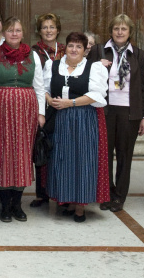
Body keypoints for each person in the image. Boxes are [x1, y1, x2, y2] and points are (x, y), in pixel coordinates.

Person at [0, 17, 45, 222]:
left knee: (22, 154)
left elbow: (39, 87)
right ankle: (5, 205)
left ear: (23, 33)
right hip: (0, 110)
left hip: (26, 111)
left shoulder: (33, 55)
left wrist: (41, 113)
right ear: (4, 33)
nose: (14, 34)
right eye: (10, 30)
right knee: (2, 153)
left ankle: (17, 204)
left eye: (18, 30)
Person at [44, 32, 110, 222]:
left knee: (83, 160)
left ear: (85, 50)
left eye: (78, 46)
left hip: (83, 118)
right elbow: (43, 89)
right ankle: (68, 201)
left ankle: (80, 207)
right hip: (59, 118)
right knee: (62, 160)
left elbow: (97, 95)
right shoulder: (53, 65)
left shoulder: (94, 67)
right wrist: (50, 99)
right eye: (71, 46)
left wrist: (70, 103)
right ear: (65, 47)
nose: (74, 49)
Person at [86, 15, 144, 212]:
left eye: (124, 29)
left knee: (124, 155)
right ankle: (106, 193)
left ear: (130, 32)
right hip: (104, 109)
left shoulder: (138, 54)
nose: (120, 32)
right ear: (111, 31)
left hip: (129, 111)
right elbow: (86, 74)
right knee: (104, 154)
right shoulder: (99, 50)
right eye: (116, 29)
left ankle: (119, 196)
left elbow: (143, 88)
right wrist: (97, 65)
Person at [30, 12, 65, 207]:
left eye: (52, 27)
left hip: (63, 104)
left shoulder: (67, 50)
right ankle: (41, 194)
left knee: (61, 149)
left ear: (58, 30)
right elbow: (34, 81)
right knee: (42, 147)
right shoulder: (33, 51)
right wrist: (47, 100)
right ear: (39, 31)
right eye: (45, 27)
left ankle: (60, 191)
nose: (49, 31)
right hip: (42, 104)